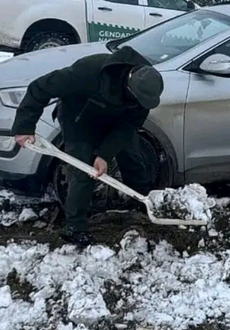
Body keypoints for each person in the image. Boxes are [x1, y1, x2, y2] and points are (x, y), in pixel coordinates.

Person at [11, 46, 165, 246]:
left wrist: (104, 154)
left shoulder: (145, 93)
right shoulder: (89, 72)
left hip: (116, 122)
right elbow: (40, 87)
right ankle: (75, 227)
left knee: (134, 160)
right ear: (129, 86)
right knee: (83, 171)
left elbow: (128, 127)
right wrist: (24, 126)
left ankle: (139, 208)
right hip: (79, 119)